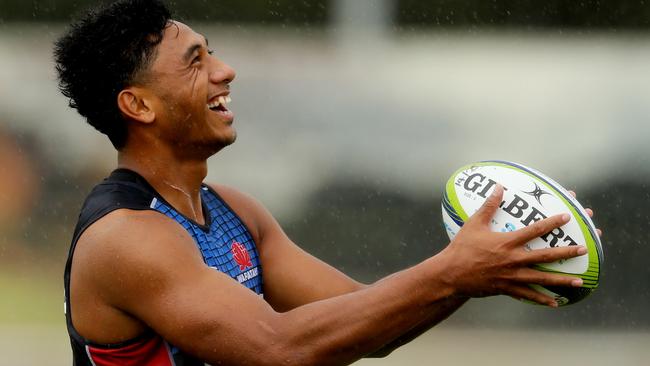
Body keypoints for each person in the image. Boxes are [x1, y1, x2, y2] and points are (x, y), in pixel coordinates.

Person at [54, 1, 595, 365]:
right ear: (137, 105)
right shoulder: (126, 237)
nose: (225, 71)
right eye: (196, 61)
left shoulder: (237, 213)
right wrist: (455, 271)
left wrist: (490, 255)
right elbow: (278, 348)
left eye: (211, 51)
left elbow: (371, 324)